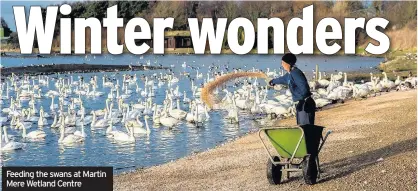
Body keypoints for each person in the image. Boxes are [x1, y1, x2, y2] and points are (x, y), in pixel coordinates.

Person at [268, 53, 316, 125]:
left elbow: (304, 87)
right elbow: (283, 79)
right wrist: (272, 81)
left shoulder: (296, 73)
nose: (282, 65)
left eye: (283, 63)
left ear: (289, 63)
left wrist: (302, 101)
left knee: (306, 128)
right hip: (300, 103)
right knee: (301, 127)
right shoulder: (290, 74)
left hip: (305, 104)